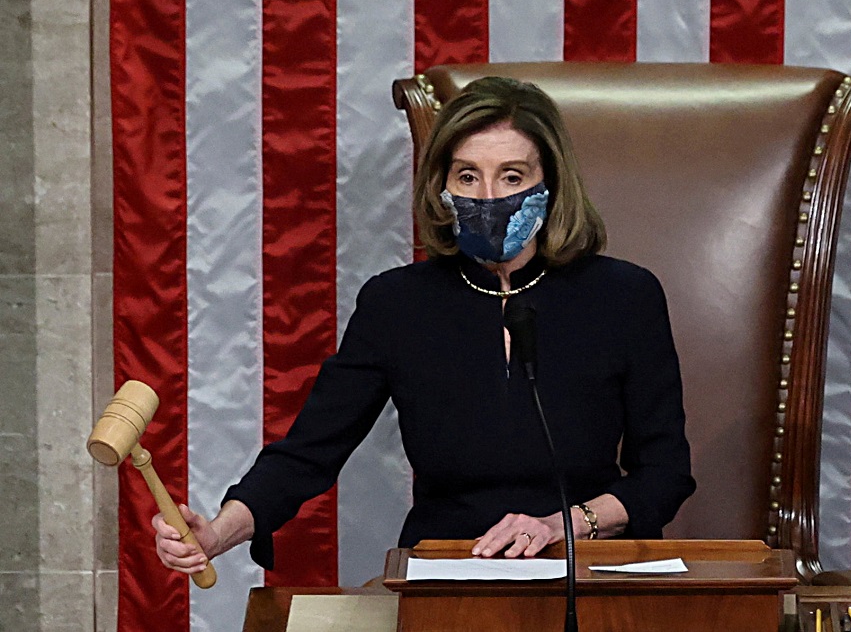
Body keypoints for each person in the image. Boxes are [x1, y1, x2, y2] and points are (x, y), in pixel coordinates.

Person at [153, 76, 696, 577]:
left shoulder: (624, 296)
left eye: (512, 175)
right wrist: (220, 530)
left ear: (550, 183)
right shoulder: (397, 303)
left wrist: (561, 526)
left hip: (588, 567)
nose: (488, 197)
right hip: (448, 568)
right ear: (441, 187)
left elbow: (665, 472)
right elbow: (309, 452)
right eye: (467, 175)